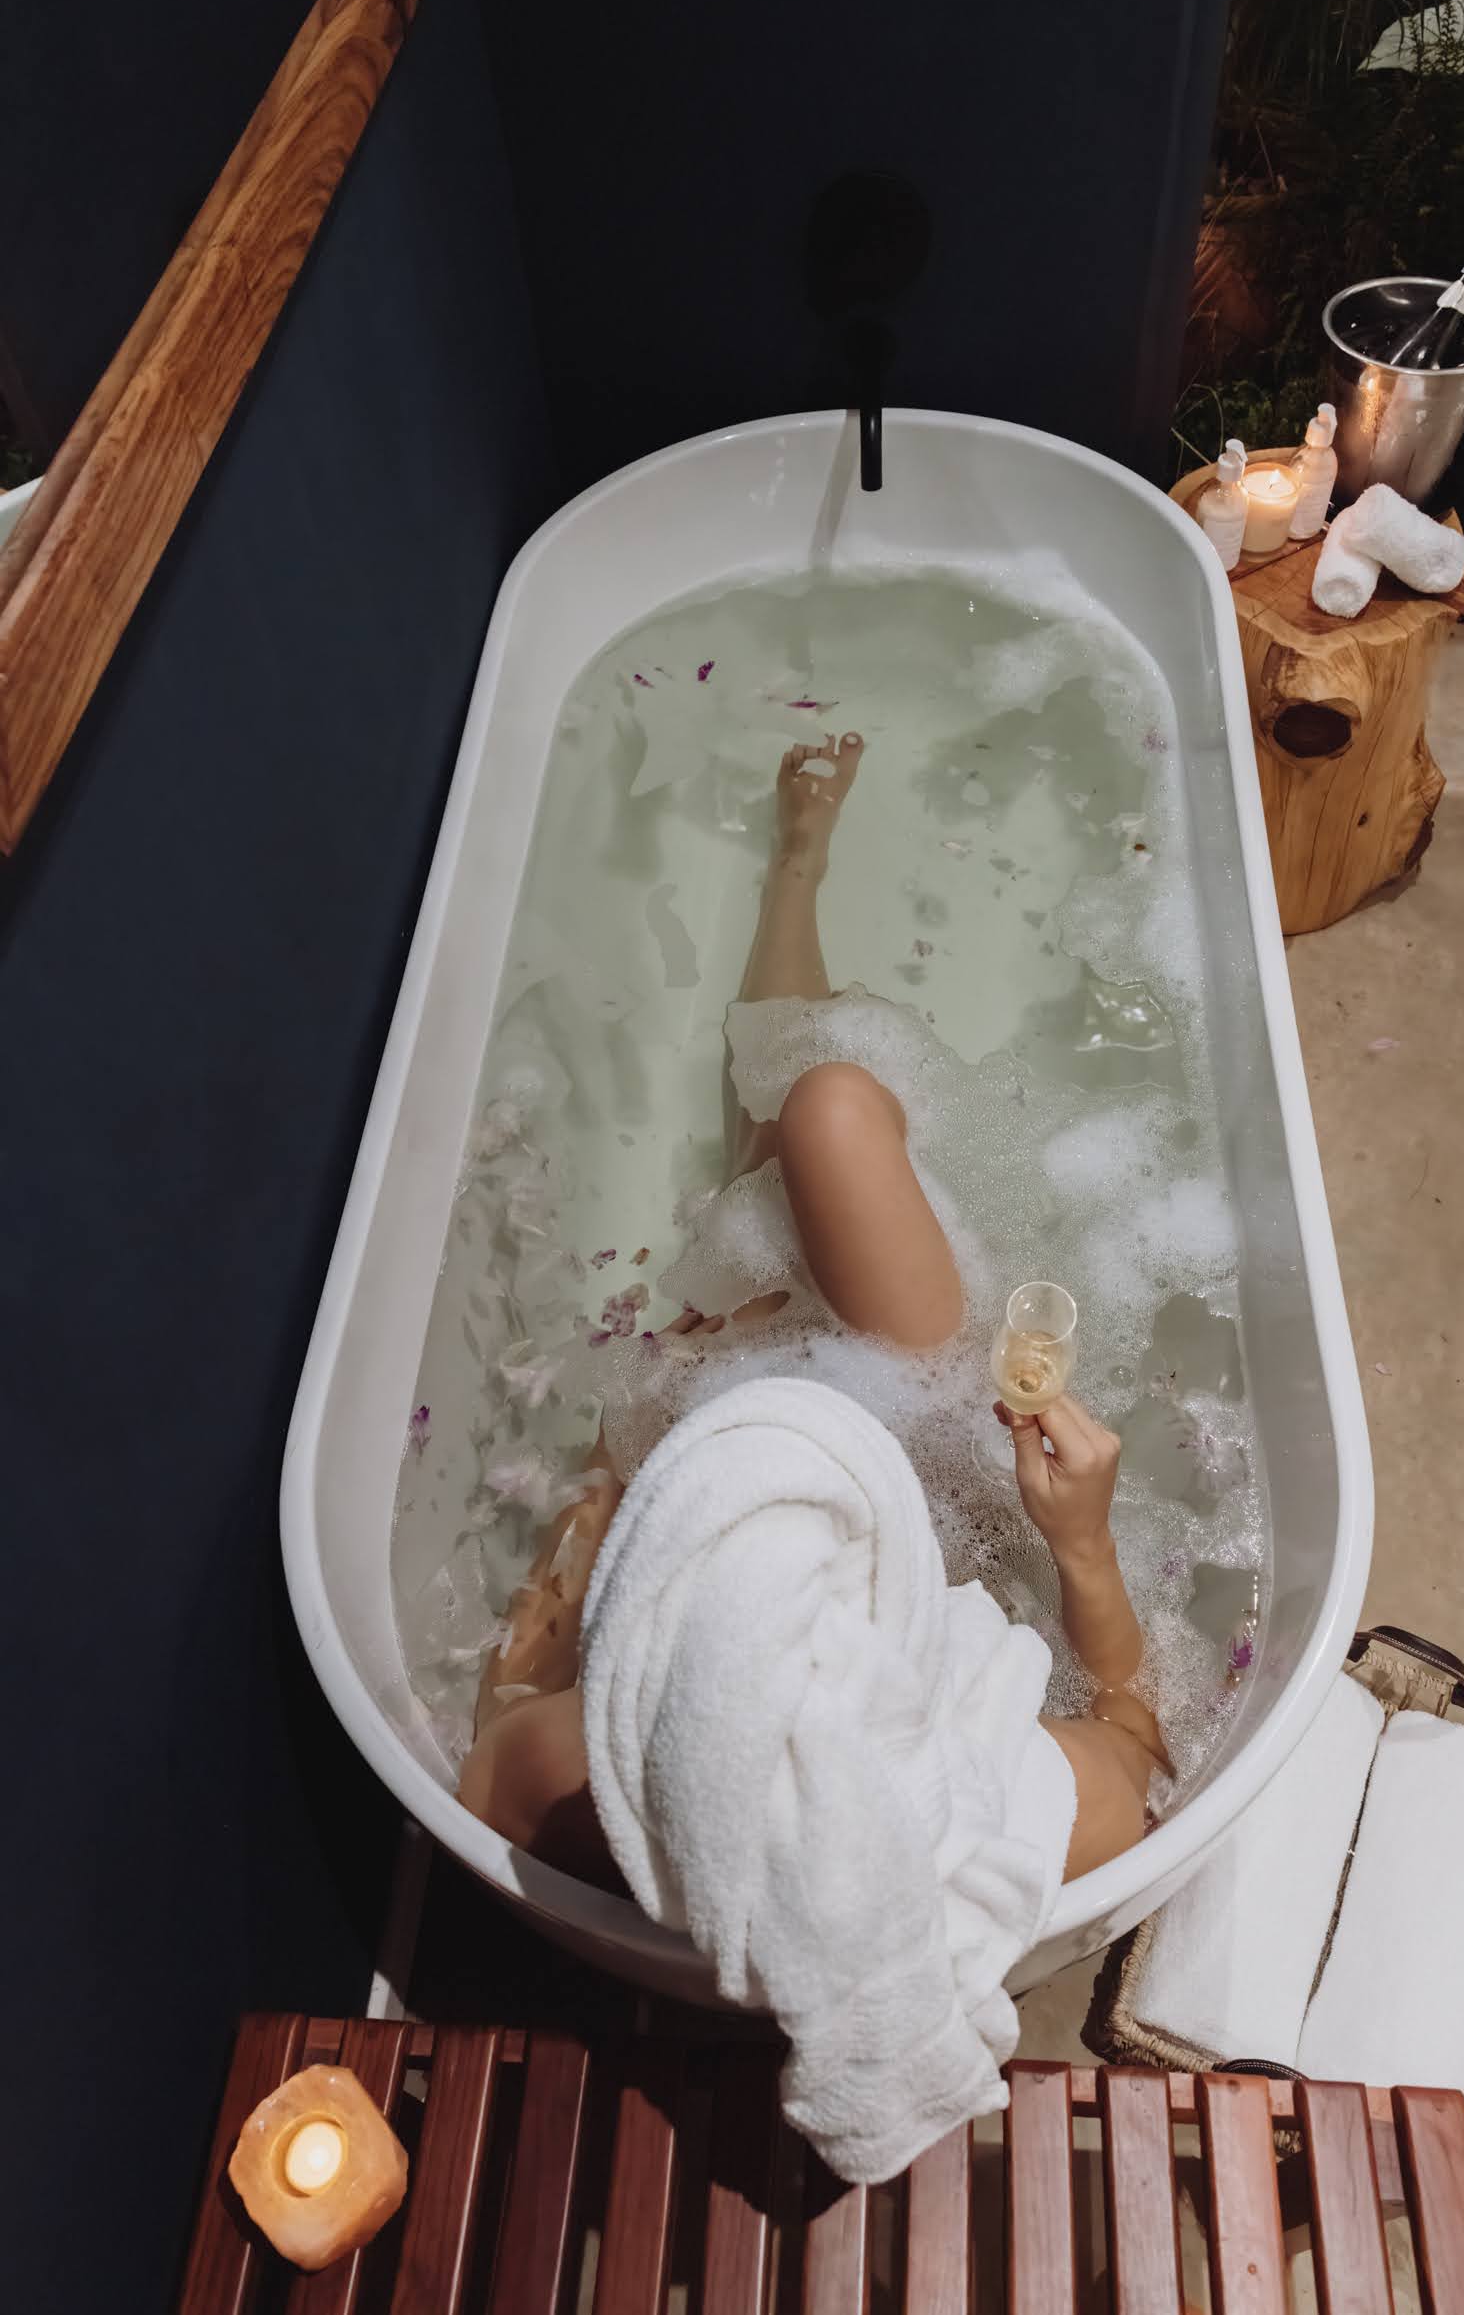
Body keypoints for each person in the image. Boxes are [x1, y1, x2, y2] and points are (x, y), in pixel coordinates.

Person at [458, 735, 1166, 1890]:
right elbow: (1136, 1724)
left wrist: (633, 1438)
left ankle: (795, 870)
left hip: (715, 1441)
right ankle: (795, 890)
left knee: (790, 1145)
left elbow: (516, 1705)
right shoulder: (1020, 1808)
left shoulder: (561, 1768)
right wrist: (1081, 1537)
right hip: (929, 1443)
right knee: (822, 1111)